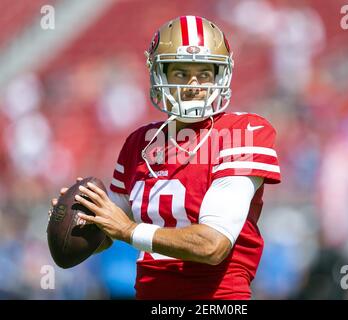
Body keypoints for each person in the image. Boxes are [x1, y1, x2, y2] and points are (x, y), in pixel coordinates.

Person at [50, 15, 281, 299]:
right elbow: (108, 236)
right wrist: (81, 219)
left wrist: (129, 230)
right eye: (181, 73)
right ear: (161, 75)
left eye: (205, 74)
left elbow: (213, 245)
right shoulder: (139, 143)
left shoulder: (242, 133)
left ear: (221, 76)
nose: (194, 84)